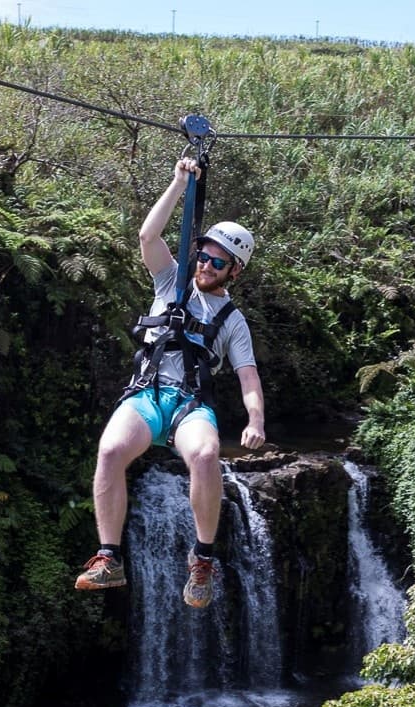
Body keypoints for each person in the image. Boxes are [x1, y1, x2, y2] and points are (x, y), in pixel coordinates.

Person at [75, 156, 266, 608]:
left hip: (188, 406)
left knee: (205, 453)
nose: (205, 263)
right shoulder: (170, 281)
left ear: (234, 271)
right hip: (146, 395)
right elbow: (148, 236)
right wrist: (180, 182)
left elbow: (248, 375)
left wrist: (255, 419)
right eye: (203, 254)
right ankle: (109, 558)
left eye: (217, 261)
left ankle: (202, 559)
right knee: (109, 450)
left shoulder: (233, 321)